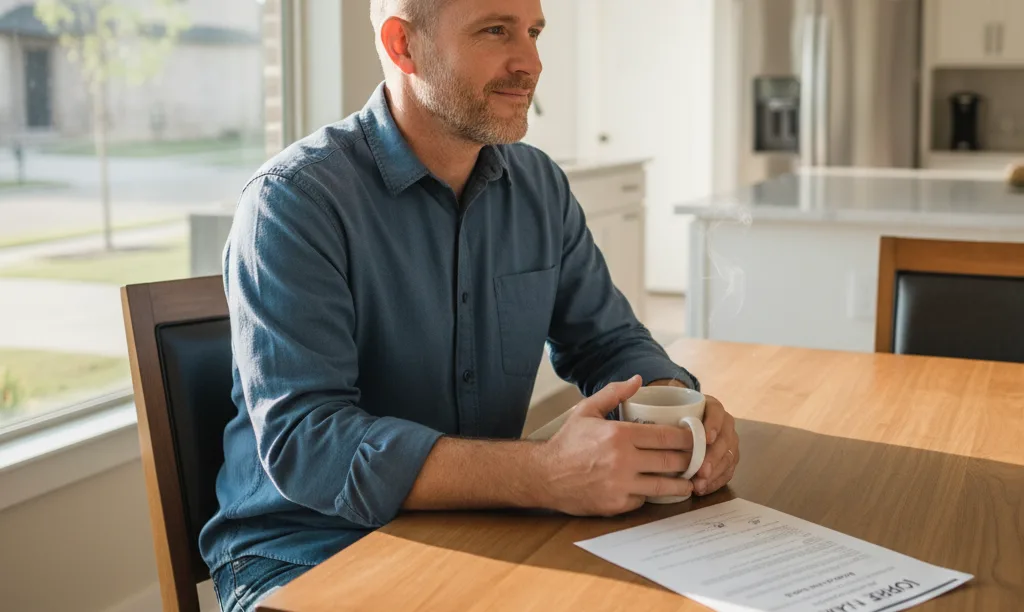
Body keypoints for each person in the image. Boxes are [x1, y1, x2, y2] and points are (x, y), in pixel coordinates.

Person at [202, 0, 741, 609]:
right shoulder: (293, 203)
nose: (531, 62)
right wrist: (545, 472)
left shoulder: (539, 188)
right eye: (495, 31)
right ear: (403, 44)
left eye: (534, 32)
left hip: (482, 527)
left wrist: (675, 406)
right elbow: (310, 442)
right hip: (305, 556)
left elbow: (608, 342)